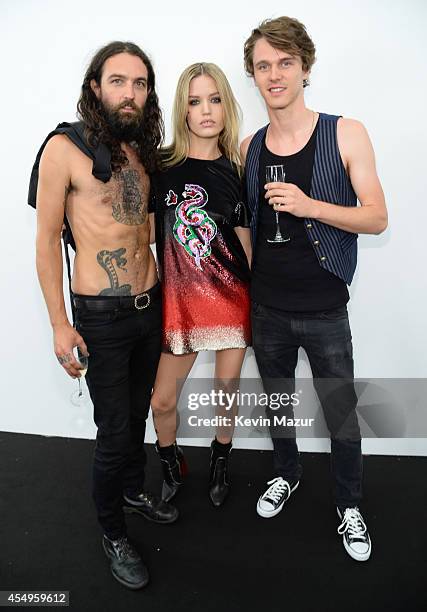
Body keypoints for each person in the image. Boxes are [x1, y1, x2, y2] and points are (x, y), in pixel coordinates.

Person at [241, 17, 387, 561]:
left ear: (305, 67)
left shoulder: (346, 132)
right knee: (278, 407)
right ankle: (286, 473)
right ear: (253, 76)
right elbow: (249, 223)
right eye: (263, 65)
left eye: (284, 62)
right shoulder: (249, 145)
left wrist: (308, 206)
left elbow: (377, 218)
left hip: (326, 308)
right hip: (268, 309)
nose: (274, 74)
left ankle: (349, 504)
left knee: (341, 413)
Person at [34, 41, 178, 590]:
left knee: (136, 412)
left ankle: (132, 490)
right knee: (115, 429)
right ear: (96, 86)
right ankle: (113, 531)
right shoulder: (64, 149)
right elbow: (47, 242)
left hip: (150, 306)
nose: (130, 93)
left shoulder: (142, 148)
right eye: (118, 81)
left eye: (140, 84)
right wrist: (58, 323)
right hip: (102, 316)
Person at [149, 63, 252, 507]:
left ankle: (220, 457)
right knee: (162, 402)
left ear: (226, 106)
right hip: (180, 302)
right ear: (183, 110)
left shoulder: (240, 171)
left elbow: (247, 249)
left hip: (231, 297)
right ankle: (170, 460)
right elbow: (146, 240)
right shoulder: (160, 168)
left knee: (225, 395)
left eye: (214, 99)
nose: (206, 110)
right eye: (195, 101)